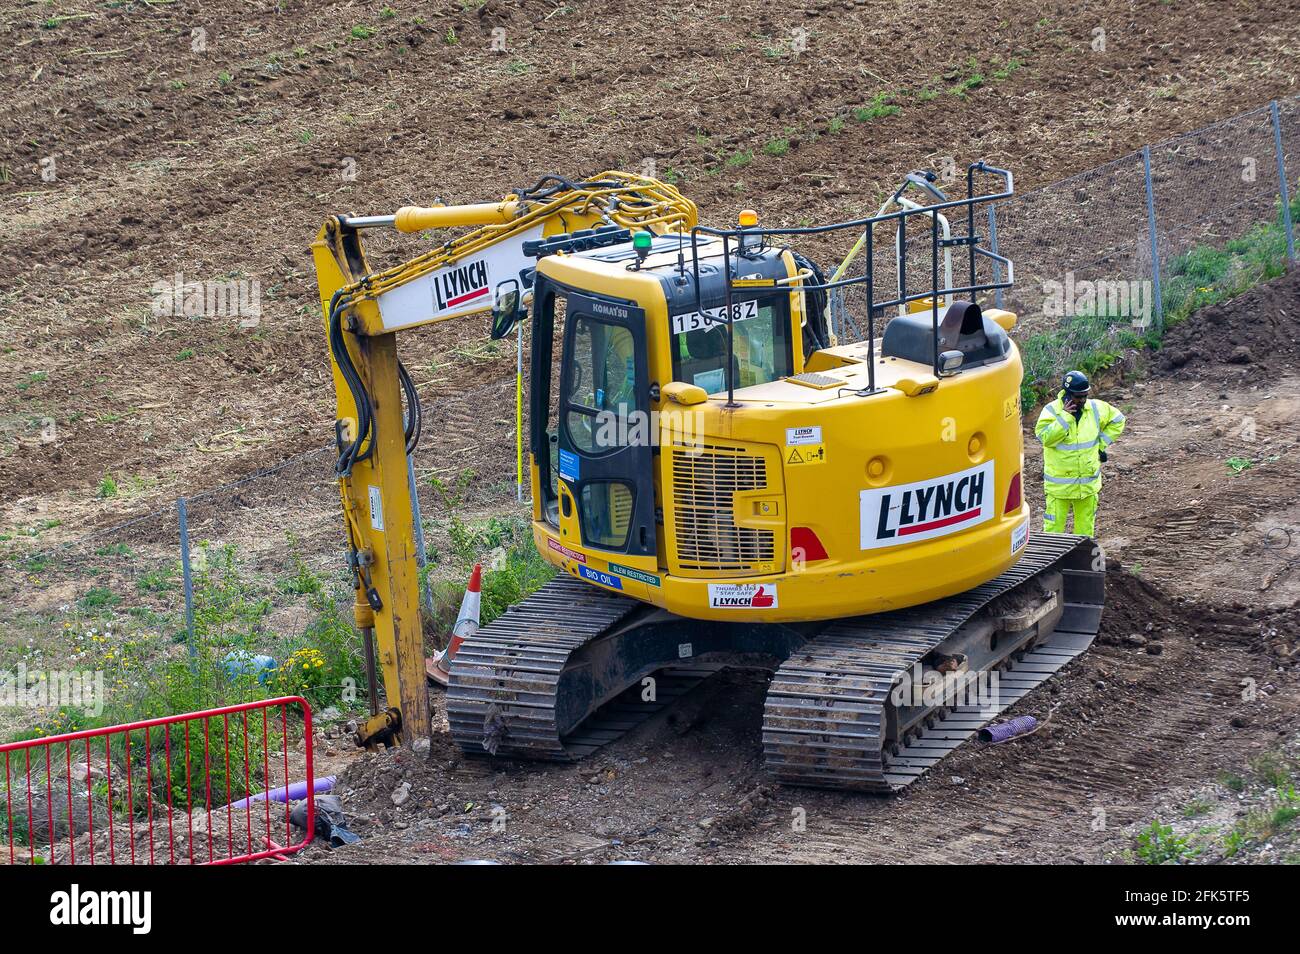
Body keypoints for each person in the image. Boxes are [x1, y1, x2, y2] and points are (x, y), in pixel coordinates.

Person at [1034, 370, 1126, 536]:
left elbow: (1118, 420)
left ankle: (1081, 561)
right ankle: (1054, 562)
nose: (1082, 400)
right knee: (1053, 531)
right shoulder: (1052, 411)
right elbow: (1045, 438)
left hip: (1087, 485)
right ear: (1067, 395)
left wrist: (1101, 444)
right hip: (1059, 488)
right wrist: (1065, 417)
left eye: (1085, 395)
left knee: (1085, 531)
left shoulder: (1096, 408)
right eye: (1078, 396)